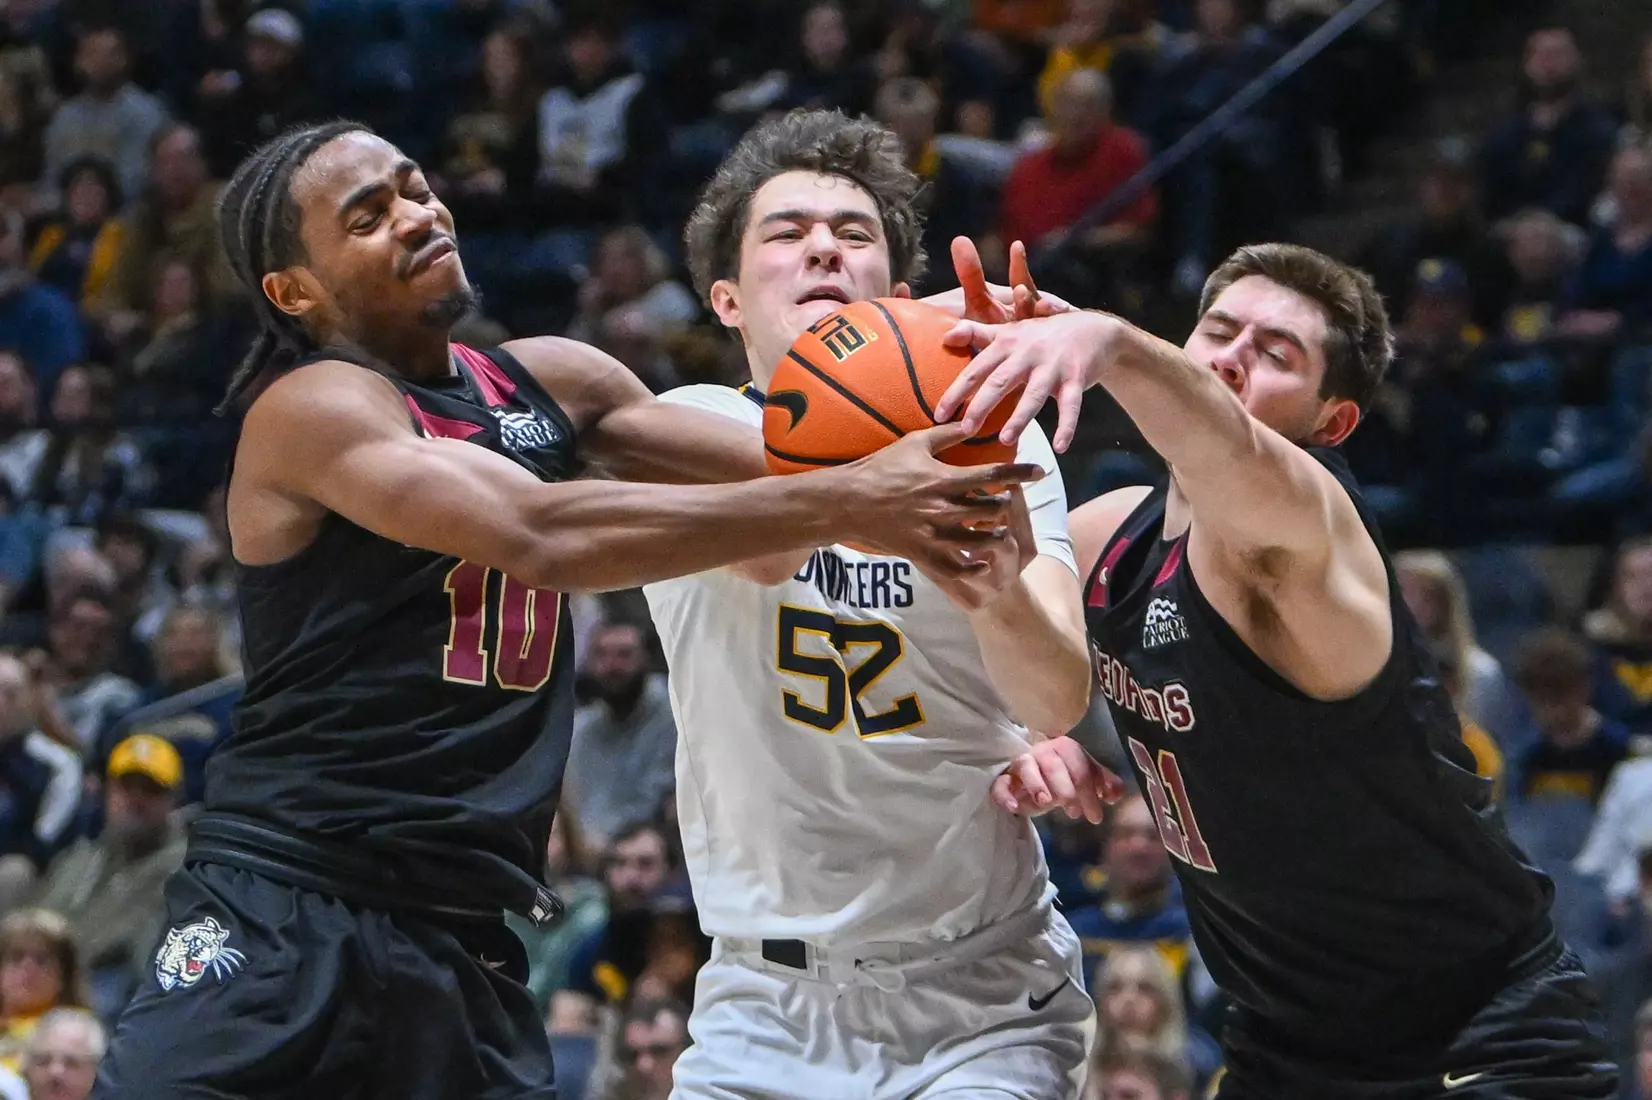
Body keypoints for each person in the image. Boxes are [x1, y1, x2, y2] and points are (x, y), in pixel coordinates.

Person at [90, 119, 1044, 1100]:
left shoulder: (556, 383)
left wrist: (957, 385)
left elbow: (787, 516)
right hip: (290, 901)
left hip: (466, 931)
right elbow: (539, 532)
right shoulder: (314, 407)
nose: (415, 214)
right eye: (367, 217)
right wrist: (857, 495)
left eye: (414, 187)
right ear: (295, 291)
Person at [947, 242, 1620, 1096]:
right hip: (1285, 1036)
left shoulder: (1310, 530)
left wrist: (1109, 342)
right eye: (1218, 331)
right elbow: (985, 637)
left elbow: (1235, 455)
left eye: (1276, 354)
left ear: (1331, 421)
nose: (1231, 357)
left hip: (1473, 1029)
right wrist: (1029, 731)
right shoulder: (1111, 533)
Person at [641, 107, 1114, 1100]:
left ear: (894, 297)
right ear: (725, 298)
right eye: (787, 232)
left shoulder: (998, 439)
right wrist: (888, 451)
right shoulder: (689, 429)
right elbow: (770, 547)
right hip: (759, 1005)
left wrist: (992, 573)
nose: (821, 245)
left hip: (977, 989)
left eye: (852, 235)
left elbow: (1055, 687)